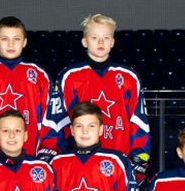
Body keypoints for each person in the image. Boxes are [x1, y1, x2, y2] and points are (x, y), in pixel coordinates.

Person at [50, 14, 151, 182]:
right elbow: (60, 122)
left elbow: (139, 122)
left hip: (119, 163)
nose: (100, 42)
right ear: (84, 42)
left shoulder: (129, 78)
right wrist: (63, 157)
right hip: (78, 164)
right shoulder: (69, 77)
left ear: (113, 42)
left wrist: (140, 160)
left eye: (106, 37)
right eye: (95, 37)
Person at [0, 16, 58, 166]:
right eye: (5, 39)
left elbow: (50, 117)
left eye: (17, 39)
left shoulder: (39, 76)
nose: (11, 44)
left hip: (29, 157)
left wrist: (47, 149)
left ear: (25, 42)